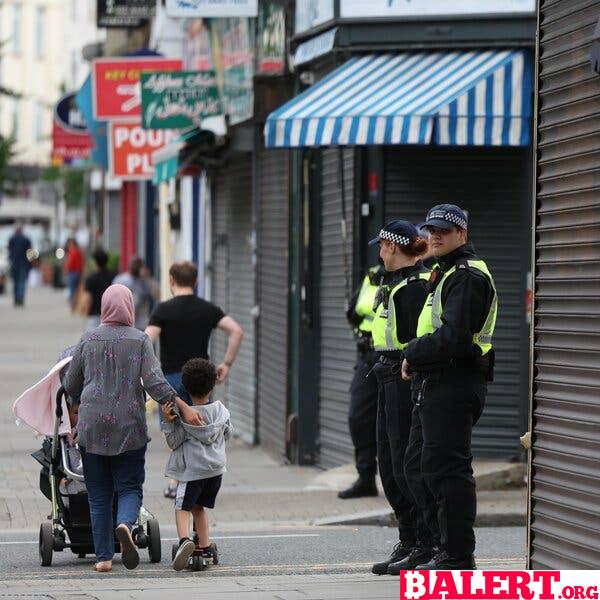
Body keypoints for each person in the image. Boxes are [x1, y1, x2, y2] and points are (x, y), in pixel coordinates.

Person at [63, 284, 203, 573]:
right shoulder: (140, 340)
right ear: (128, 306)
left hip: (92, 426)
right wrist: (184, 407)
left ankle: (103, 558)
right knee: (128, 487)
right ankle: (125, 524)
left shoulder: (88, 339)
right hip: (129, 427)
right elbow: (155, 383)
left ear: (104, 307)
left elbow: (71, 385)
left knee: (98, 494)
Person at [401, 204, 497, 571]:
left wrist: (412, 351)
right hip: (435, 380)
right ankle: (438, 547)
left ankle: (457, 555)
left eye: (445, 230)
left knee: (447, 470)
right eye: (432, 229)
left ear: (463, 235)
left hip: (455, 381)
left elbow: (454, 338)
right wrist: (418, 357)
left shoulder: (468, 276)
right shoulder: (445, 272)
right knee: (419, 466)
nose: (436, 235)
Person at [144, 261, 243, 499]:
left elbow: (147, 339)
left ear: (171, 281)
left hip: (171, 380)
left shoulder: (163, 310)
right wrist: (226, 365)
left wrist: (150, 369)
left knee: (173, 430)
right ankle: (200, 480)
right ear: (195, 281)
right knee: (202, 428)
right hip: (201, 379)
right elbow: (236, 331)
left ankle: (177, 481)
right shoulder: (207, 309)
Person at [366, 221, 432, 576]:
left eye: (382, 246)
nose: (379, 252)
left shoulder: (415, 287)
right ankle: (408, 538)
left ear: (392, 247)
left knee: (405, 462)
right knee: (388, 463)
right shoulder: (393, 284)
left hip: (404, 378)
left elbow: (413, 340)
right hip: (386, 375)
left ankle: (423, 543)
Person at [161, 358, 231, 571]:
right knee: (199, 508)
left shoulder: (185, 416)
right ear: (212, 385)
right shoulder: (221, 411)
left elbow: (173, 442)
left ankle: (185, 542)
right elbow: (227, 433)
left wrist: (169, 421)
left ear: (184, 387)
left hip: (192, 471)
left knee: (182, 507)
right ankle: (205, 546)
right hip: (216, 471)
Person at [338, 265, 383, 499]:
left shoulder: (422, 274)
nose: (384, 250)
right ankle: (365, 478)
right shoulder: (373, 273)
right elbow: (356, 310)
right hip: (368, 355)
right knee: (359, 417)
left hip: (396, 356)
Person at [113, 257, 157, 330]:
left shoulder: (145, 281)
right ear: (129, 265)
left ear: (142, 267)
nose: (135, 267)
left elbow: (157, 295)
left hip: (141, 324)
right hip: (123, 324)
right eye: (133, 264)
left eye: (138, 265)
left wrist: (149, 278)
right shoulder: (120, 279)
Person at [82, 249, 115, 331]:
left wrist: (86, 314)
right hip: (110, 316)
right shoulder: (113, 277)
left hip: (94, 316)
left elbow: (88, 298)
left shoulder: (91, 279)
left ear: (95, 262)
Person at [8, 224, 32, 307]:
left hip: (14, 263)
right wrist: (31, 263)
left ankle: (16, 299)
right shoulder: (26, 239)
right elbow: (30, 252)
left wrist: (10, 259)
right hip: (23, 263)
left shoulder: (12, 239)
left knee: (15, 282)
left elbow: (9, 250)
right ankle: (20, 299)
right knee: (21, 282)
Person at [64, 238, 84, 311]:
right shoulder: (78, 251)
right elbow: (82, 263)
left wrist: (66, 270)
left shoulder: (72, 252)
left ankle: (72, 306)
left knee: (72, 290)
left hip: (72, 273)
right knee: (76, 290)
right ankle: (75, 305)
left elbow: (70, 263)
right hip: (78, 272)